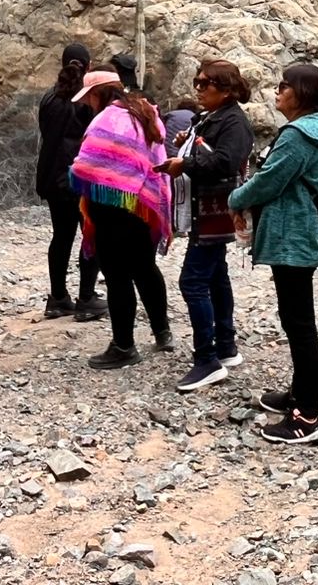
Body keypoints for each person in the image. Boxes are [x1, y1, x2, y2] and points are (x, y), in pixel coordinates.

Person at [228, 63, 318, 444]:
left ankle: (306, 417)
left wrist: (235, 198)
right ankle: (298, 394)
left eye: (284, 86)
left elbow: (269, 180)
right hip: (301, 232)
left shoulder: (298, 135)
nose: (277, 92)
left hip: (290, 235)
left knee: (299, 324)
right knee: (297, 319)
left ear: (302, 94)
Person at [69, 65, 173, 368]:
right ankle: (162, 331)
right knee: (145, 268)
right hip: (143, 206)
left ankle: (124, 346)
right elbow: (153, 160)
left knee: (117, 276)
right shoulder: (145, 111)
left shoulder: (107, 119)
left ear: (98, 93)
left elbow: (86, 166)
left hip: (112, 209)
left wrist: (75, 171)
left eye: (88, 97)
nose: (87, 103)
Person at [160, 59, 253, 392]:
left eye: (204, 84)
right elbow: (210, 150)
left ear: (225, 89)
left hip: (215, 212)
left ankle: (206, 360)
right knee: (215, 277)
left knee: (193, 281)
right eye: (196, 83)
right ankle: (225, 346)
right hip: (208, 210)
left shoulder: (234, 122)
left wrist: (185, 162)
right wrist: (191, 140)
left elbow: (226, 161)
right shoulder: (214, 117)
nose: (197, 89)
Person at [36, 44, 107, 321]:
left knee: (61, 235)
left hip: (53, 176)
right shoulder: (88, 100)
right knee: (91, 235)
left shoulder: (48, 98)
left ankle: (57, 298)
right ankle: (87, 297)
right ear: (89, 67)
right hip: (83, 177)